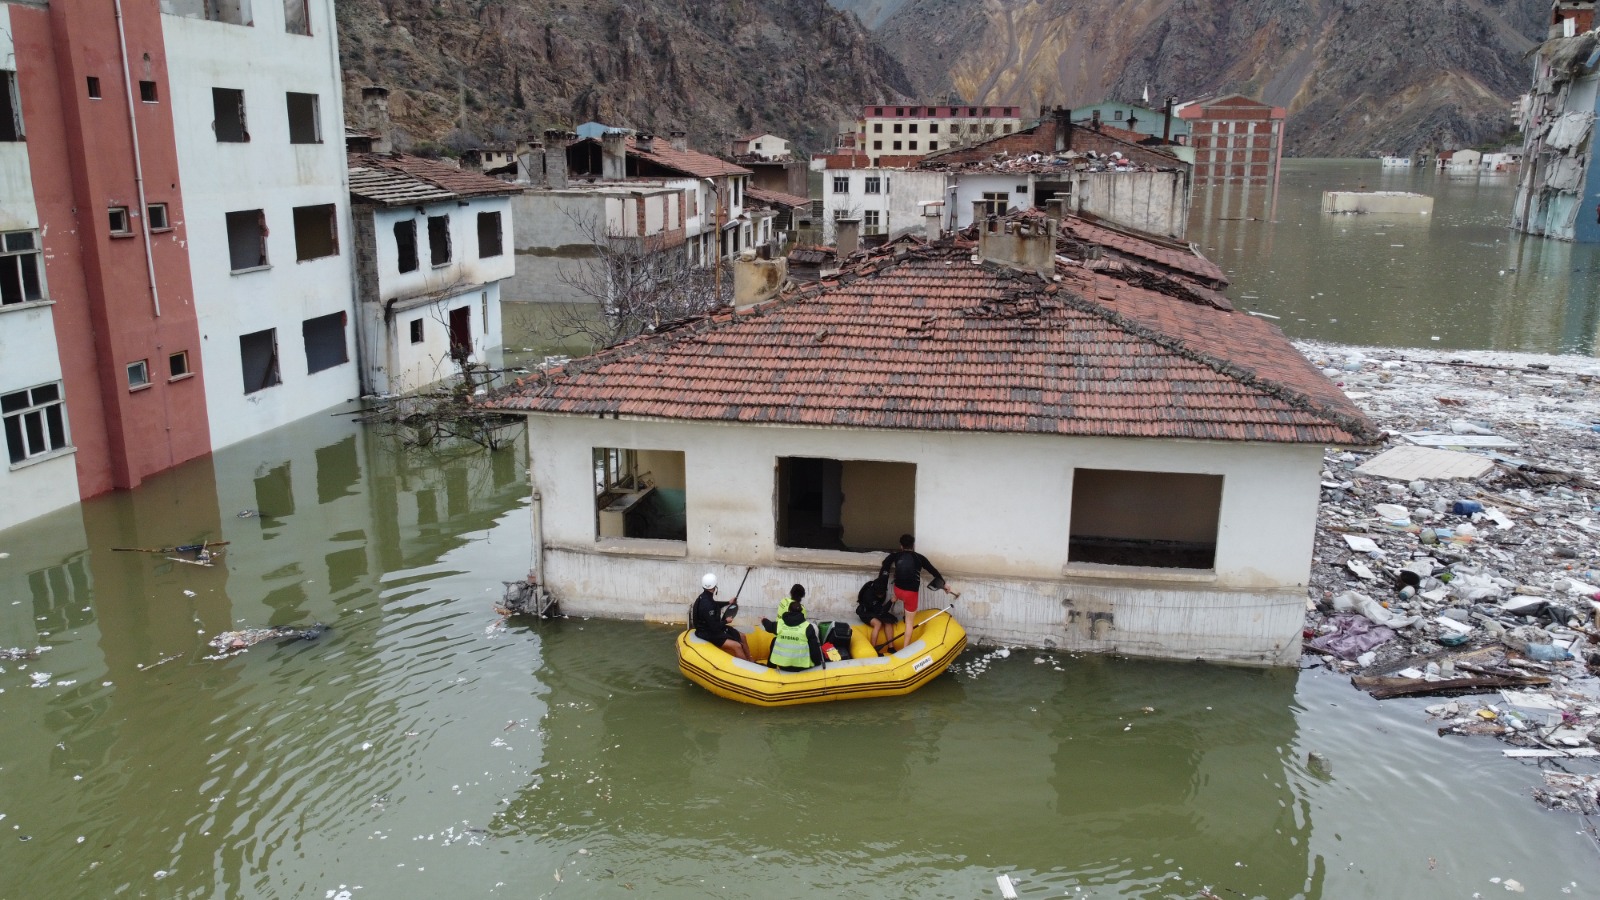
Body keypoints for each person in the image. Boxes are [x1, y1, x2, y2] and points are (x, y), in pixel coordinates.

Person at [879, 534, 945, 652]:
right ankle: (905, 649)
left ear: (901, 546)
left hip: (898, 591)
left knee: (903, 601)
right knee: (909, 623)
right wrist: (944, 585)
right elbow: (933, 571)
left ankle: (901, 608)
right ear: (913, 545)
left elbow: (885, 564)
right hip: (911, 594)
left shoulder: (895, 555)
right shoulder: (919, 558)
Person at [691, 572, 750, 661]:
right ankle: (747, 668)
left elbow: (714, 604)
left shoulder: (704, 597)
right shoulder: (707, 604)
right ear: (715, 586)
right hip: (707, 633)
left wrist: (728, 602)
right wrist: (726, 621)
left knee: (742, 636)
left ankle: (750, 659)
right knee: (737, 645)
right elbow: (714, 626)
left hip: (713, 629)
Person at [768, 584, 822, 672]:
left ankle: (770, 668)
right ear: (803, 596)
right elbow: (800, 623)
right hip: (794, 639)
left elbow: (770, 625)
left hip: (779, 634)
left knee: (774, 641)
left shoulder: (783, 601)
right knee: (812, 633)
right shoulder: (802, 609)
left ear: (791, 592)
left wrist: (764, 620)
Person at [856, 572, 898, 655]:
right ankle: (874, 648)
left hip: (876, 609)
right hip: (866, 613)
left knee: (888, 622)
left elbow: (885, 571)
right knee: (878, 623)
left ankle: (891, 647)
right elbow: (881, 611)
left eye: (882, 593)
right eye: (879, 594)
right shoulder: (869, 596)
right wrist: (891, 601)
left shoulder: (881, 582)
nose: (881, 596)